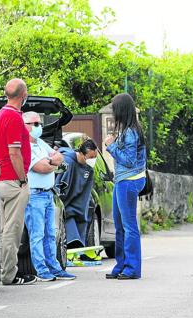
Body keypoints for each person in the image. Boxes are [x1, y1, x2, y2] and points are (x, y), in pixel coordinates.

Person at [23, 111, 76, 281]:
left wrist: (51, 161)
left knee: (50, 234)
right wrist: (52, 162)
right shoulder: (26, 146)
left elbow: (60, 157)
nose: (39, 127)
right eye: (35, 124)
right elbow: (41, 167)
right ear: (25, 126)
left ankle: (54, 267)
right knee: (37, 234)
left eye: (40, 123)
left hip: (47, 194)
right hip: (34, 195)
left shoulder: (40, 143)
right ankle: (41, 269)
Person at [0, 78, 37, 285]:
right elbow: (14, 152)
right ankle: (9, 274)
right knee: (13, 230)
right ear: (23, 95)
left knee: (5, 229)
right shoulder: (13, 117)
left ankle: (3, 271)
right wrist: (22, 179)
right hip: (13, 179)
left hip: (1, 178)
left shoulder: (0, 114)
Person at [104, 93, 147, 280]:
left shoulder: (130, 132)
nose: (113, 112)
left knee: (129, 226)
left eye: (114, 108)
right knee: (120, 225)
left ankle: (132, 268)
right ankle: (121, 265)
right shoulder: (126, 130)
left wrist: (111, 146)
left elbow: (129, 160)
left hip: (129, 181)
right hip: (122, 181)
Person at [55, 139, 98, 248]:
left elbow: (86, 192)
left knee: (80, 222)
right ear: (82, 154)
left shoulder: (89, 169)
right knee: (68, 222)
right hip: (65, 203)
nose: (93, 160)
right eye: (91, 157)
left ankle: (78, 249)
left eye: (95, 157)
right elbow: (58, 184)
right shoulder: (67, 162)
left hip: (79, 205)